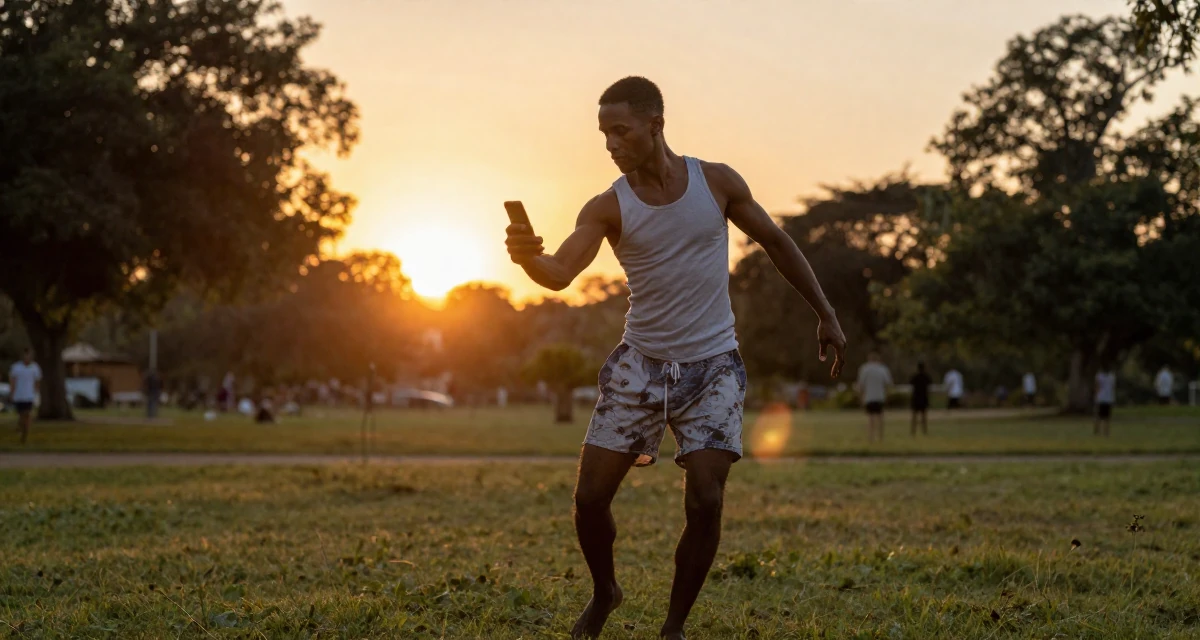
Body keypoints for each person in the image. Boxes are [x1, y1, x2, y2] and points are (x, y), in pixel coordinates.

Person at [504, 77, 847, 640]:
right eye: (604, 134)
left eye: (621, 131)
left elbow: (777, 242)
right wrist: (527, 259)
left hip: (713, 367)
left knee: (707, 499)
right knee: (590, 499)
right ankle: (605, 592)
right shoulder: (608, 207)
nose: (611, 144)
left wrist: (825, 313)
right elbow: (560, 273)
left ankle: (673, 628)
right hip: (640, 365)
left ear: (655, 125)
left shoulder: (717, 183)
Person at [856, 353, 893, 443]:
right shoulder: (883, 369)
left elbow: (861, 385)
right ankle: (880, 437)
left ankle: (871, 437)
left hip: (869, 397)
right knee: (880, 417)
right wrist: (887, 396)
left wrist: (861, 397)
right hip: (880, 396)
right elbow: (888, 384)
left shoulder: (865, 369)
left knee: (870, 418)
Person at [8, 348, 42, 444]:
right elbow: (12, 381)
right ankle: (21, 428)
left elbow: (37, 381)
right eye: (26, 355)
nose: (27, 357)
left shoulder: (35, 367)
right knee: (21, 415)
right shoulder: (16, 367)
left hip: (29, 395)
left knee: (27, 414)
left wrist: (36, 392)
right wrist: (12, 393)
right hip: (19, 395)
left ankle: (25, 435)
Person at [909, 362, 932, 436]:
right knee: (924, 416)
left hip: (916, 398)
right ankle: (924, 431)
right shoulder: (926, 377)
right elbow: (930, 384)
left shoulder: (915, 377)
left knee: (914, 416)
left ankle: (913, 431)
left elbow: (910, 383)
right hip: (924, 398)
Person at [1094, 368, 1116, 436]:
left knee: (1104, 416)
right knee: (1103, 416)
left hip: (1105, 398)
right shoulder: (1109, 376)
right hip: (1104, 398)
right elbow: (1097, 387)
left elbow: (1097, 387)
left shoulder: (1110, 376)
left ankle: (1103, 431)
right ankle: (1101, 431)